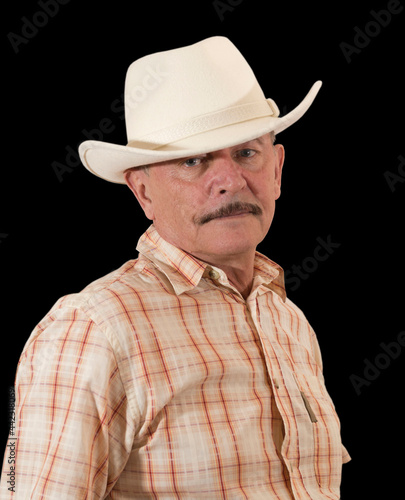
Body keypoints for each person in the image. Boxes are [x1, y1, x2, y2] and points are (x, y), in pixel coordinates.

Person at [0, 36, 350, 499]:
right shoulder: (95, 329)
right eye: (193, 161)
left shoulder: (290, 324)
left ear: (278, 171)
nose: (228, 181)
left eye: (247, 153)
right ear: (142, 192)